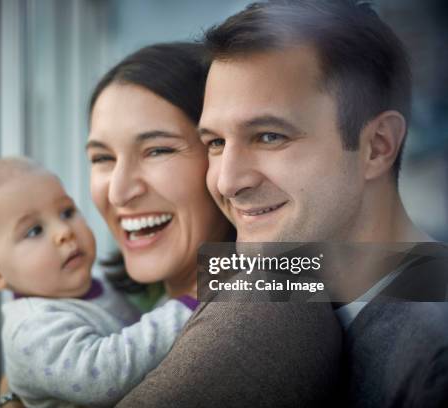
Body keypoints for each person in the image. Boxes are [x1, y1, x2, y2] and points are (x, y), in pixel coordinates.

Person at [119, 1, 448, 407]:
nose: (227, 181)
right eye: (216, 143)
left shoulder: (433, 357)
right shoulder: (287, 288)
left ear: (377, 147)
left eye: (270, 136)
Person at [0, 42, 342, 408]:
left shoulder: (264, 306)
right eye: (102, 157)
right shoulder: (136, 303)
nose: (118, 191)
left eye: (157, 150)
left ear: (220, 157)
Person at [0, 157, 201, 407]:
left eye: (67, 212)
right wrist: (183, 307)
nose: (64, 232)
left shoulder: (96, 285)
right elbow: (102, 376)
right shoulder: (32, 328)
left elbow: (138, 334)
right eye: (34, 231)